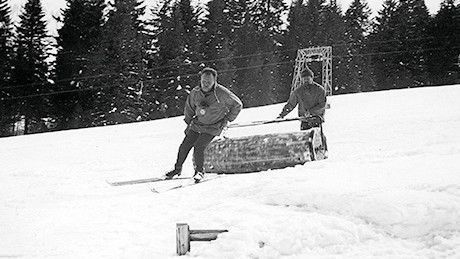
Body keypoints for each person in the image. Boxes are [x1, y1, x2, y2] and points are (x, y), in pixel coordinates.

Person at [165, 67, 243, 182]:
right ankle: (177, 169)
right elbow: (189, 108)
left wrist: (228, 119)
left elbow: (238, 104)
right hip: (198, 123)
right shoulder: (195, 92)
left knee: (199, 146)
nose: (205, 84)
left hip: (214, 125)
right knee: (185, 145)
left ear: (214, 81)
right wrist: (188, 123)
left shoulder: (222, 93)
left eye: (209, 82)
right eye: (203, 82)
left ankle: (199, 172)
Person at [277, 67, 328, 151]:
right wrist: (282, 115)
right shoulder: (298, 91)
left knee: (318, 140)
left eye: (308, 78)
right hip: (304, 120)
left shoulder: (320, 90)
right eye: (304, 79)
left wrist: (311, 112)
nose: (306, 81)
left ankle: (323, 153)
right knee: (305, 142)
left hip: (316, 119)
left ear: (312, 78)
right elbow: (290, 104)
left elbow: (322, 104)